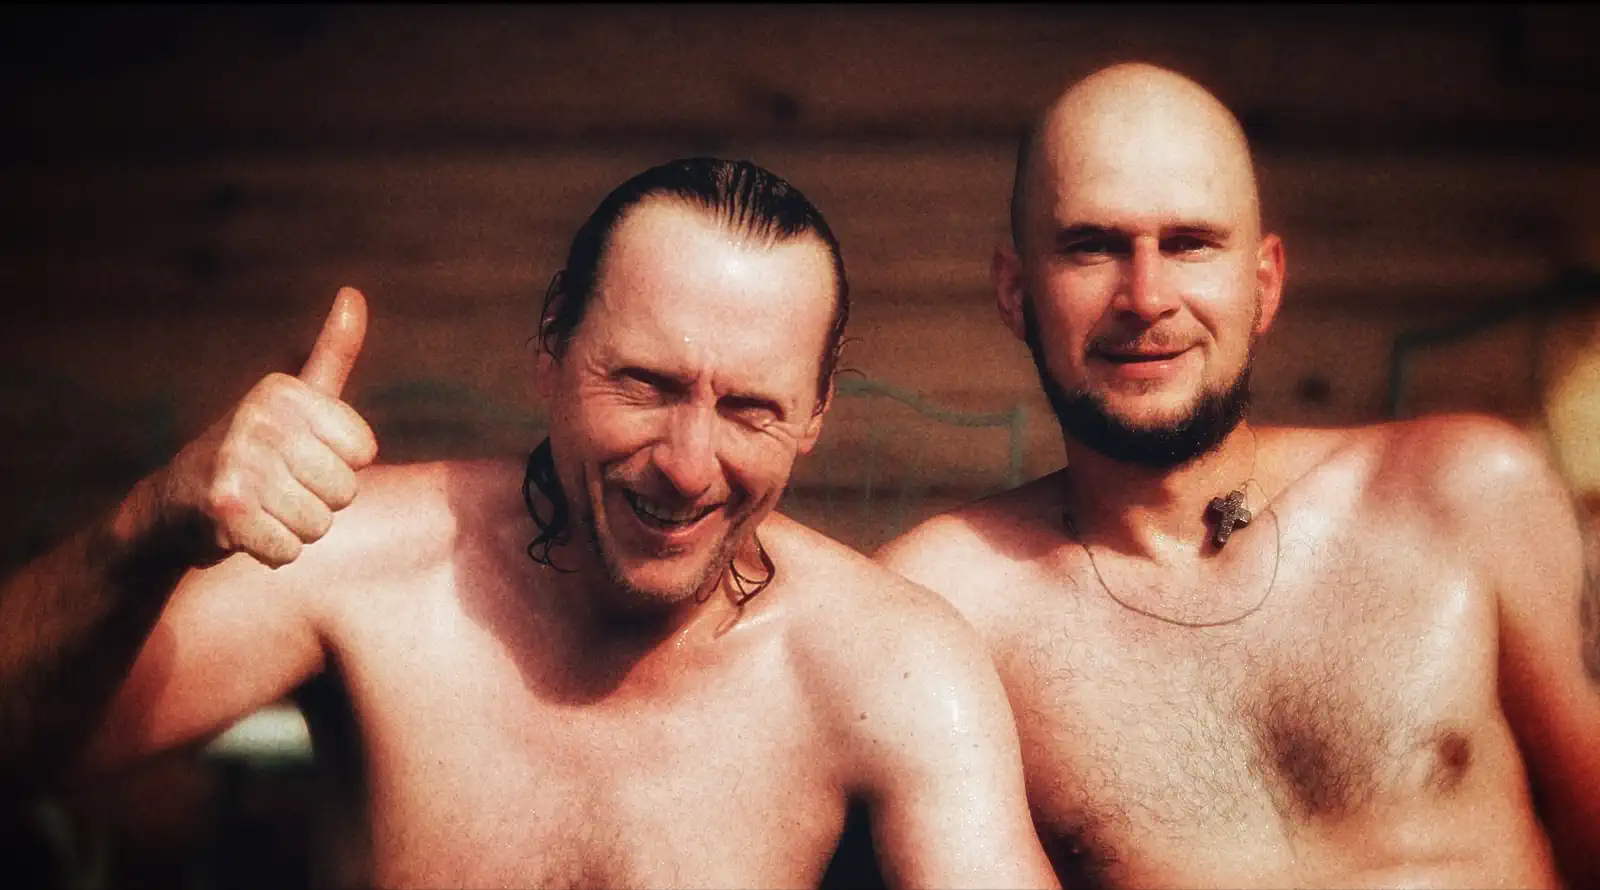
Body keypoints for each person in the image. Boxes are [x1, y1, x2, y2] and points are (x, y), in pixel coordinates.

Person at [0, 158, 1057, 889]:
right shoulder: (364, 559)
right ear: (551, 344)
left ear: (816, 412)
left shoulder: (889, 662)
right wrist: (141, 528)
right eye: (643, 384)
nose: (688, 465)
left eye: (750, 408)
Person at [876, 63, 1600, 889]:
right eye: (1092, 247)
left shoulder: (1464, 495)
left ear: (1263, 283)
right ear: (1015, 292)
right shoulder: (947, 609)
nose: (1146, 296)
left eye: (1189, 244)